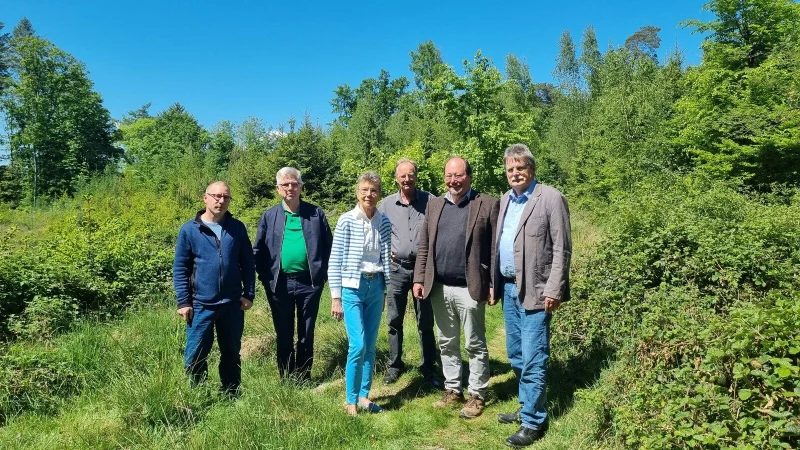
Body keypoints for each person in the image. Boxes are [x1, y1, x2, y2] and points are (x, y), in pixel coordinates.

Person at [492, 144, 572, 447]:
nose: (515, 173)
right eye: (510, 169)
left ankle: (534, 422)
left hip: (538, 289)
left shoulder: (550, 198)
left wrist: (555, 289)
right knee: (516, 353)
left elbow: (562, 248)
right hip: (510, 287)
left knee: (534, 355)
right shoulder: (506, 200)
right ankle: (527, 406)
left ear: (532, 170)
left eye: (520, 168)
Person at [412, 156, 499, 419]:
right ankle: (453, 389)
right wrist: (419, 278)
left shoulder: (486, 203)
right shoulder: (435, 204)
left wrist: (494, 284)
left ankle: (476, 394)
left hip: (470, 287)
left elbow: (495, 249)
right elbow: (424, 244)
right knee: (447, 342)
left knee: (475, 343)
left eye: (458, 176)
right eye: (449, 176)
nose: (453, 181)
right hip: (439, 287)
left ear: (469, 176)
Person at [173, 181, 256, 395]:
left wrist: (248, 294)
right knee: (196, 351)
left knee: (231, 351)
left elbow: (247, 262)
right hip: (201, 304)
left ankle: (231, 392)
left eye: (226, 197)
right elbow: (180, 267)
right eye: (216, 196)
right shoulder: (190, 230)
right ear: (205, 197)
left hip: (231, 304)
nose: (221, 201)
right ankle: (197, 394)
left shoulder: (236, 228)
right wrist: (184, 301)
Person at [253, 167, 333, 382]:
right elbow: (258, 251)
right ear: (278, 188)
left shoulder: (316, 214)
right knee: (284, 333)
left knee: (306, 332)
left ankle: (305, 376)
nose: (290, 188)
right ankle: (287, 378)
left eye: (294, 184)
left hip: (310, 284)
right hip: (279, 285)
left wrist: (322, 276)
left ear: (301, 187)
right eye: (285, 184)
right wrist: (265, 277)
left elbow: (329, 248)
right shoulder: (269, 216)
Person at [329, 171, 392, 416]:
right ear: (357, 192)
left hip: (375, 285)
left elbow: (385, 258)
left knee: (371, 345)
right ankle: (350, 401)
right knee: (357, 345)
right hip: (352, 288)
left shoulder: (384, 221)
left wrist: (386, 287)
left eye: (374, 190)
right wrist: (335, 296)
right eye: (364, 190)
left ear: (379, 193)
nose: (369, 194)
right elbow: (335, 260)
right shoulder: (346, 220)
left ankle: (365, 396)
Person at [377, 158, 439, 388]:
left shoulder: (430, 201)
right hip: (396, 270)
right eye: (402, 175)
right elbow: (375, 229)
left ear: (416, 176)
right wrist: (384, 252)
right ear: (396, 178)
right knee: (394, 319)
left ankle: (429, 367)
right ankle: (395, 365)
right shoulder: (386, 205)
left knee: (425, 320)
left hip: (423, 270)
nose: (406, 179)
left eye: (410, 175)